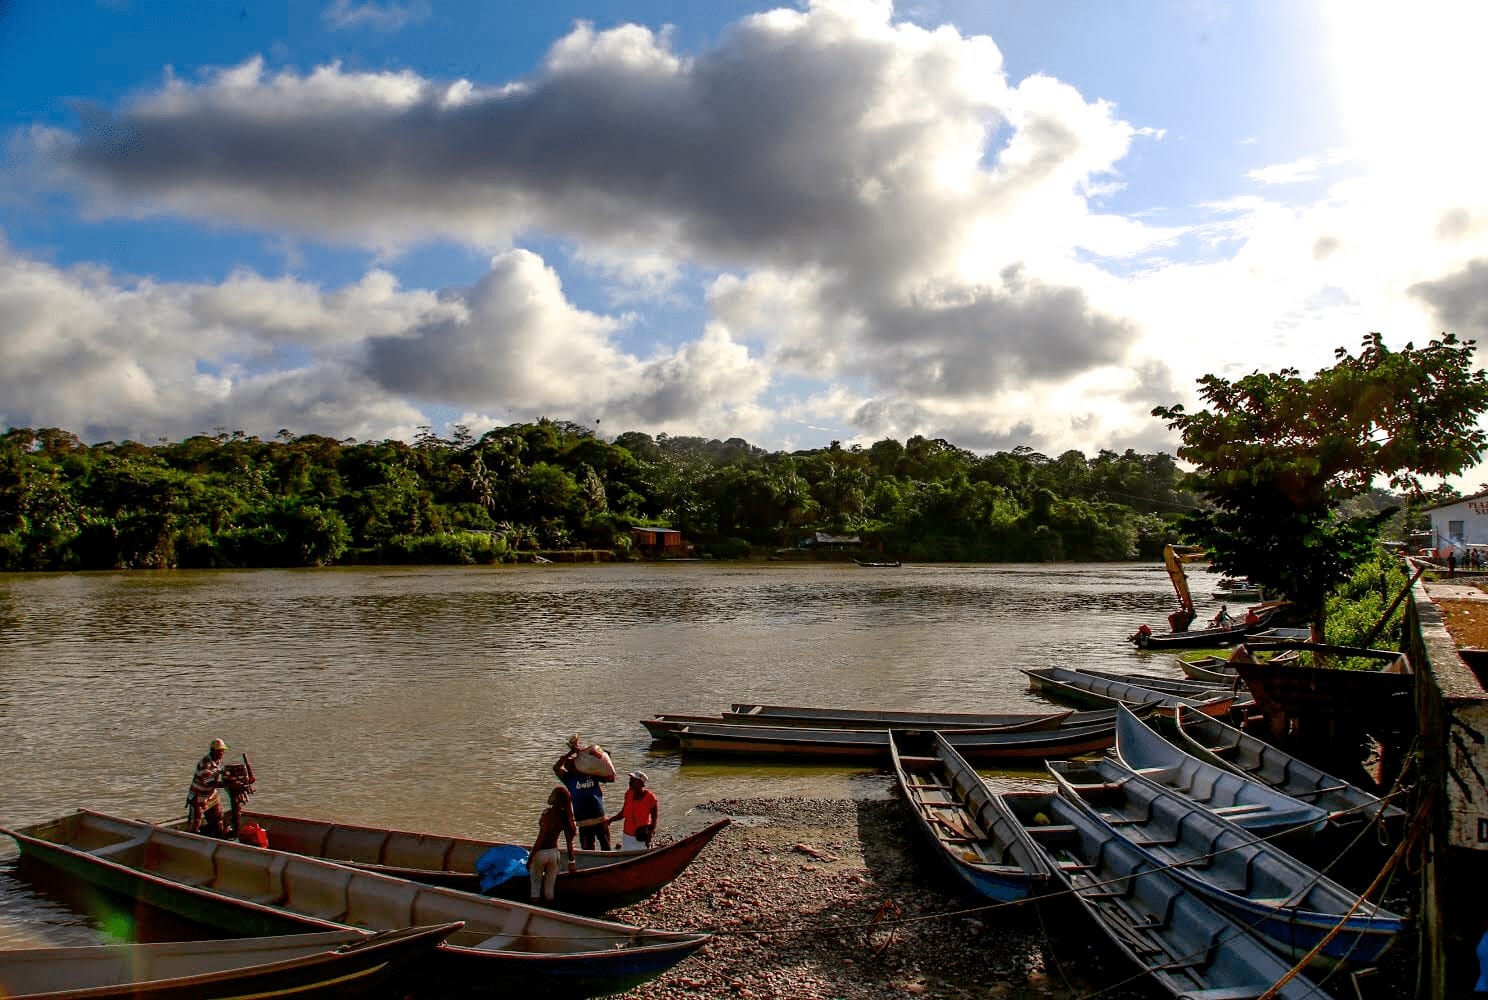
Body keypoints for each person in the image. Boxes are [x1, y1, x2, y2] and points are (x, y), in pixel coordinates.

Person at [554, 734, 614, 850]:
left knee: (606, 848)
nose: (571, 764)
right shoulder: (568, 778)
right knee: (588, 849)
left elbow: (610, 777)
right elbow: (556, 768)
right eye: (569, 763)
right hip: (583, 821)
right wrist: (570, 753)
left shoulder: (592, 773)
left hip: (600, 817)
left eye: (573, 763)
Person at [528, 785, 578, 903]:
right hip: (554, 854)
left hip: (541, 853)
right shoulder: (565, 816)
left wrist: (530, 858)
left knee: (535, 885)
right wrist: (572, 862)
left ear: (555, 798)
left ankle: (535, 910)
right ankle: (549, 909)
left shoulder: (547, 814)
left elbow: (541, 837)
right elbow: (568, 841)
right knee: (549, 891)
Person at [186, 738, 231, 835]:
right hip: (198, 796)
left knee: (218, 817)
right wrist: (226, 784)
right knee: (196, 822)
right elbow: (209, 782)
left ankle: (215, 833)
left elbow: (219, 774)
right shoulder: (205, 764)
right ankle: (192, 836)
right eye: (220, 751)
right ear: (213, 751)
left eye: (223, 751)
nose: (222, 753)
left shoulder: (217, 761)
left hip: (211, 795)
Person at [608, 771, 659, 850]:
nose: (630, 782)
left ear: (641, 783)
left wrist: (649, 836)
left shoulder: (651, 798)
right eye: (630, 780)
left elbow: (654, 820)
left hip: (641, 837)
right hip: (627, 835)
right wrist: (610, 820)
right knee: (626, 856)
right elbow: (623, 813)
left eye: (633, 780)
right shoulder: (629, 794)